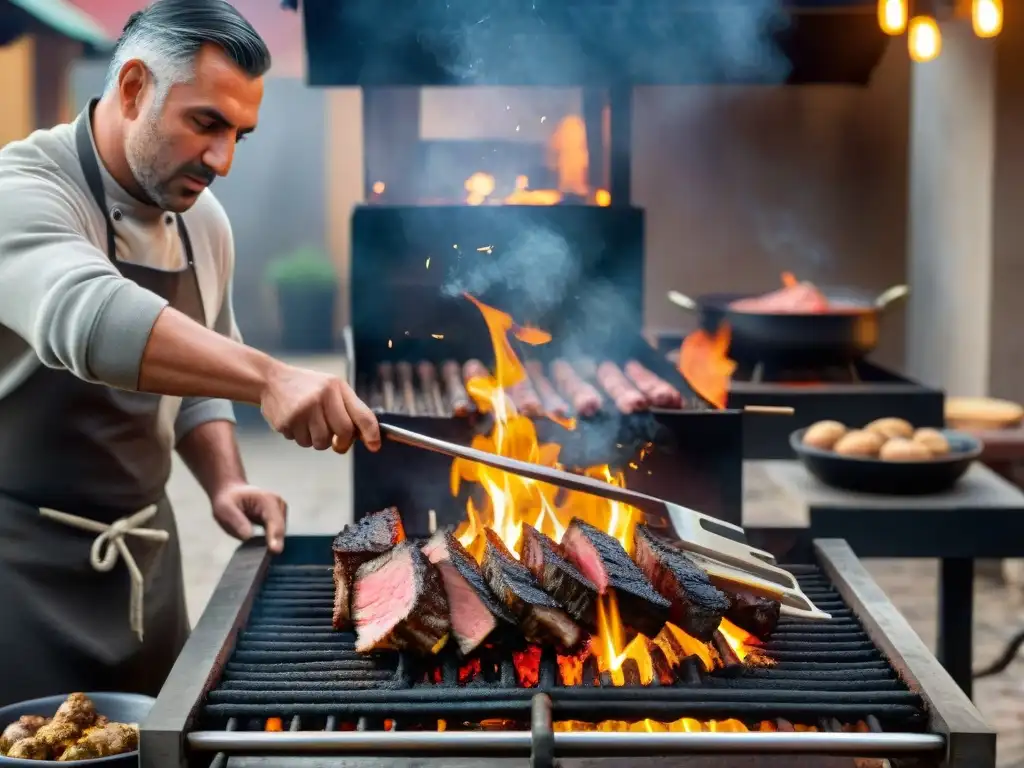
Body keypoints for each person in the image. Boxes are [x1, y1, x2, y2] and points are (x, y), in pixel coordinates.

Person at [0, 0, 380, 705]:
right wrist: (271, 377)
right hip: (19, 575)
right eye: (206, 123)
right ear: (135, 87)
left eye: (240, 134)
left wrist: (225, 481)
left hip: (147, 561)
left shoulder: (202, 219)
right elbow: (89, 321)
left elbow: (204, 373)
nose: (223, 159)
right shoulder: (20, 193)